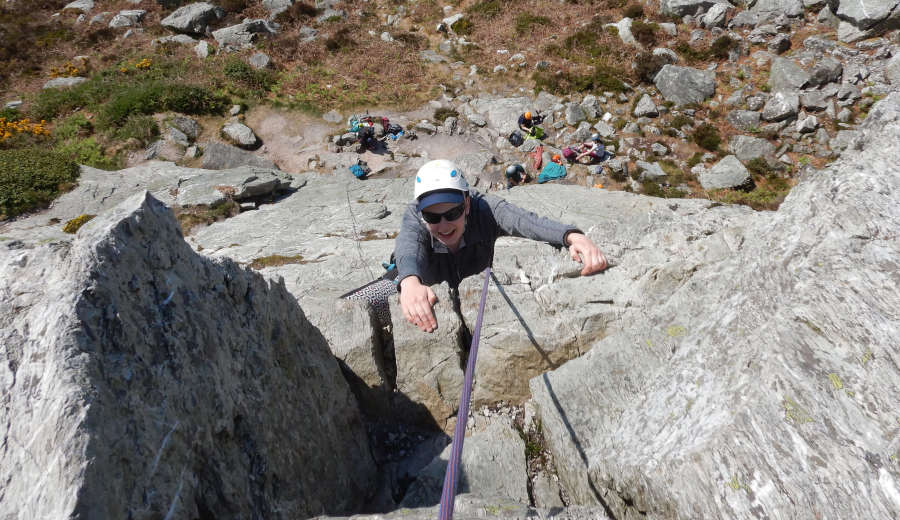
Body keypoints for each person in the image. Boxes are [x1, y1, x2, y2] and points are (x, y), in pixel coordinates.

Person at [395, 160, 607, 332]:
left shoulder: (484, 209)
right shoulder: (416, 215)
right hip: (438, 298)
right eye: (432, 216)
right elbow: (409, 242)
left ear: (467, 205)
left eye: (452, 214)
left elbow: (524, 221)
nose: (443, 225)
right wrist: (409, 281)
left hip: (475, 304)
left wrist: (571, 235)